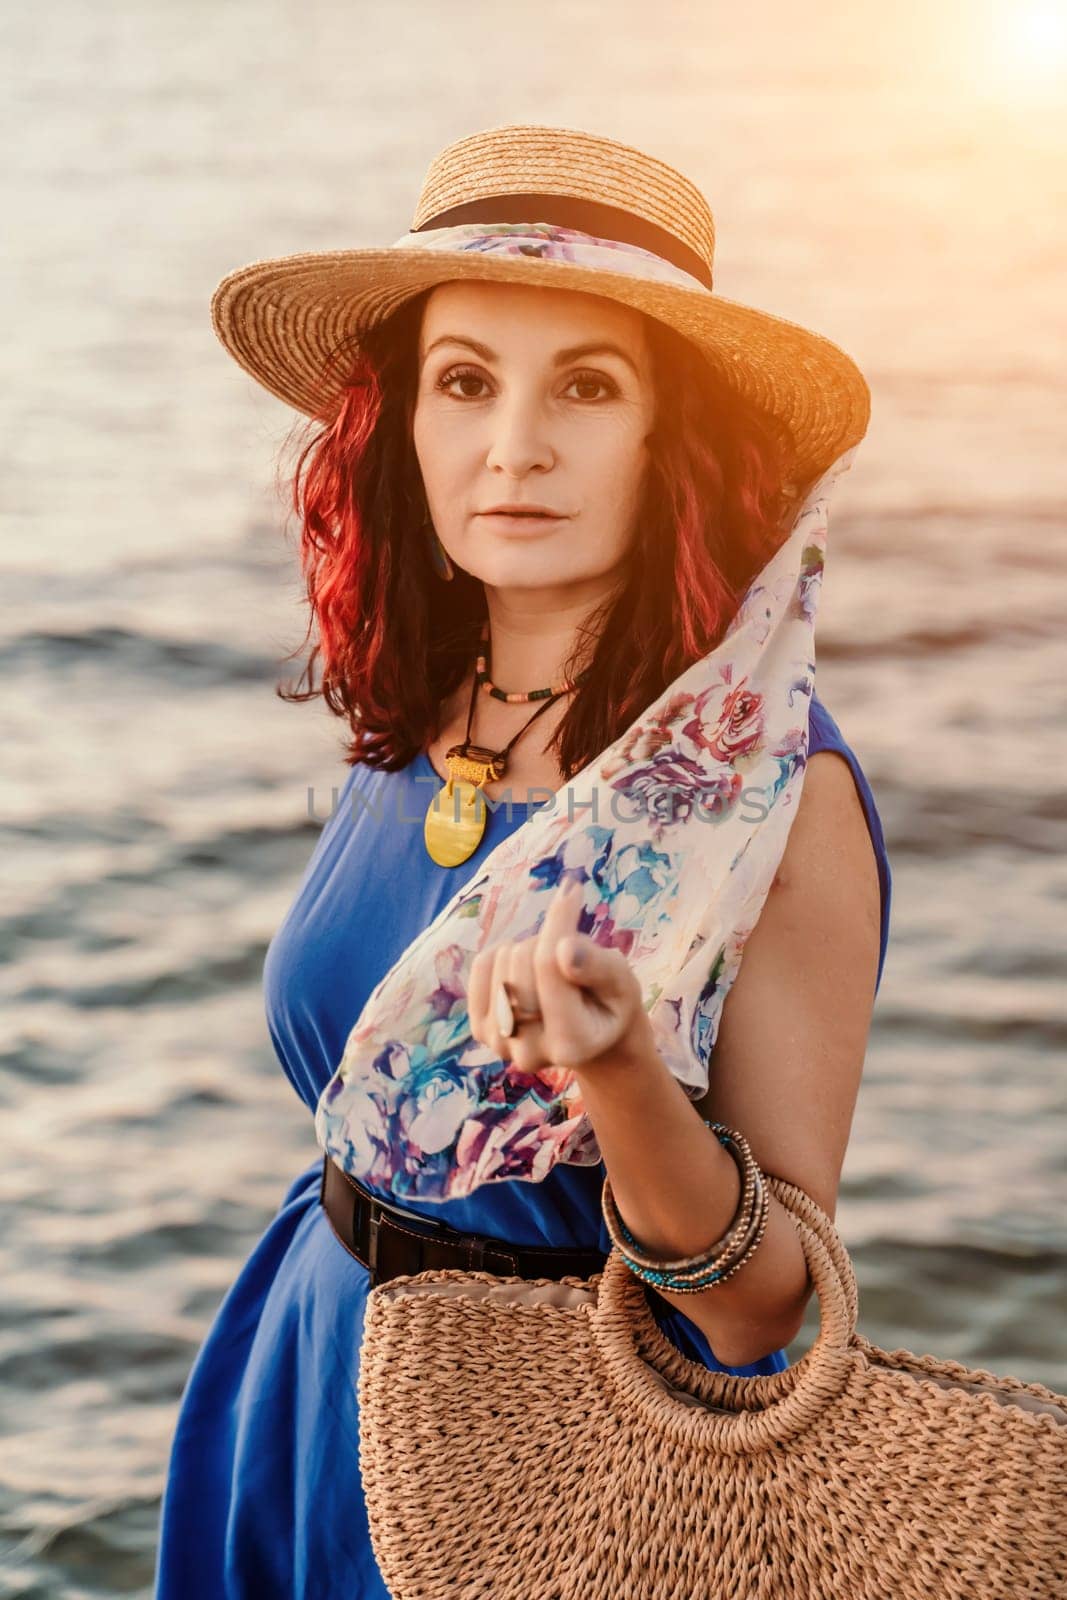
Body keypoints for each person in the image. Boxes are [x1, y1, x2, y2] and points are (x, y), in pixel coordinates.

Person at [155, 123, 892, 1597]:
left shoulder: (772, 795)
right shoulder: (415, 719)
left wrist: (620, 1075)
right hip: (302, 1366)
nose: (515, 446)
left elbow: (764, 1316)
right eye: (466, 381)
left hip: (540, 1467)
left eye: (589, 387)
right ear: (403, 427)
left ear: (670, 436)